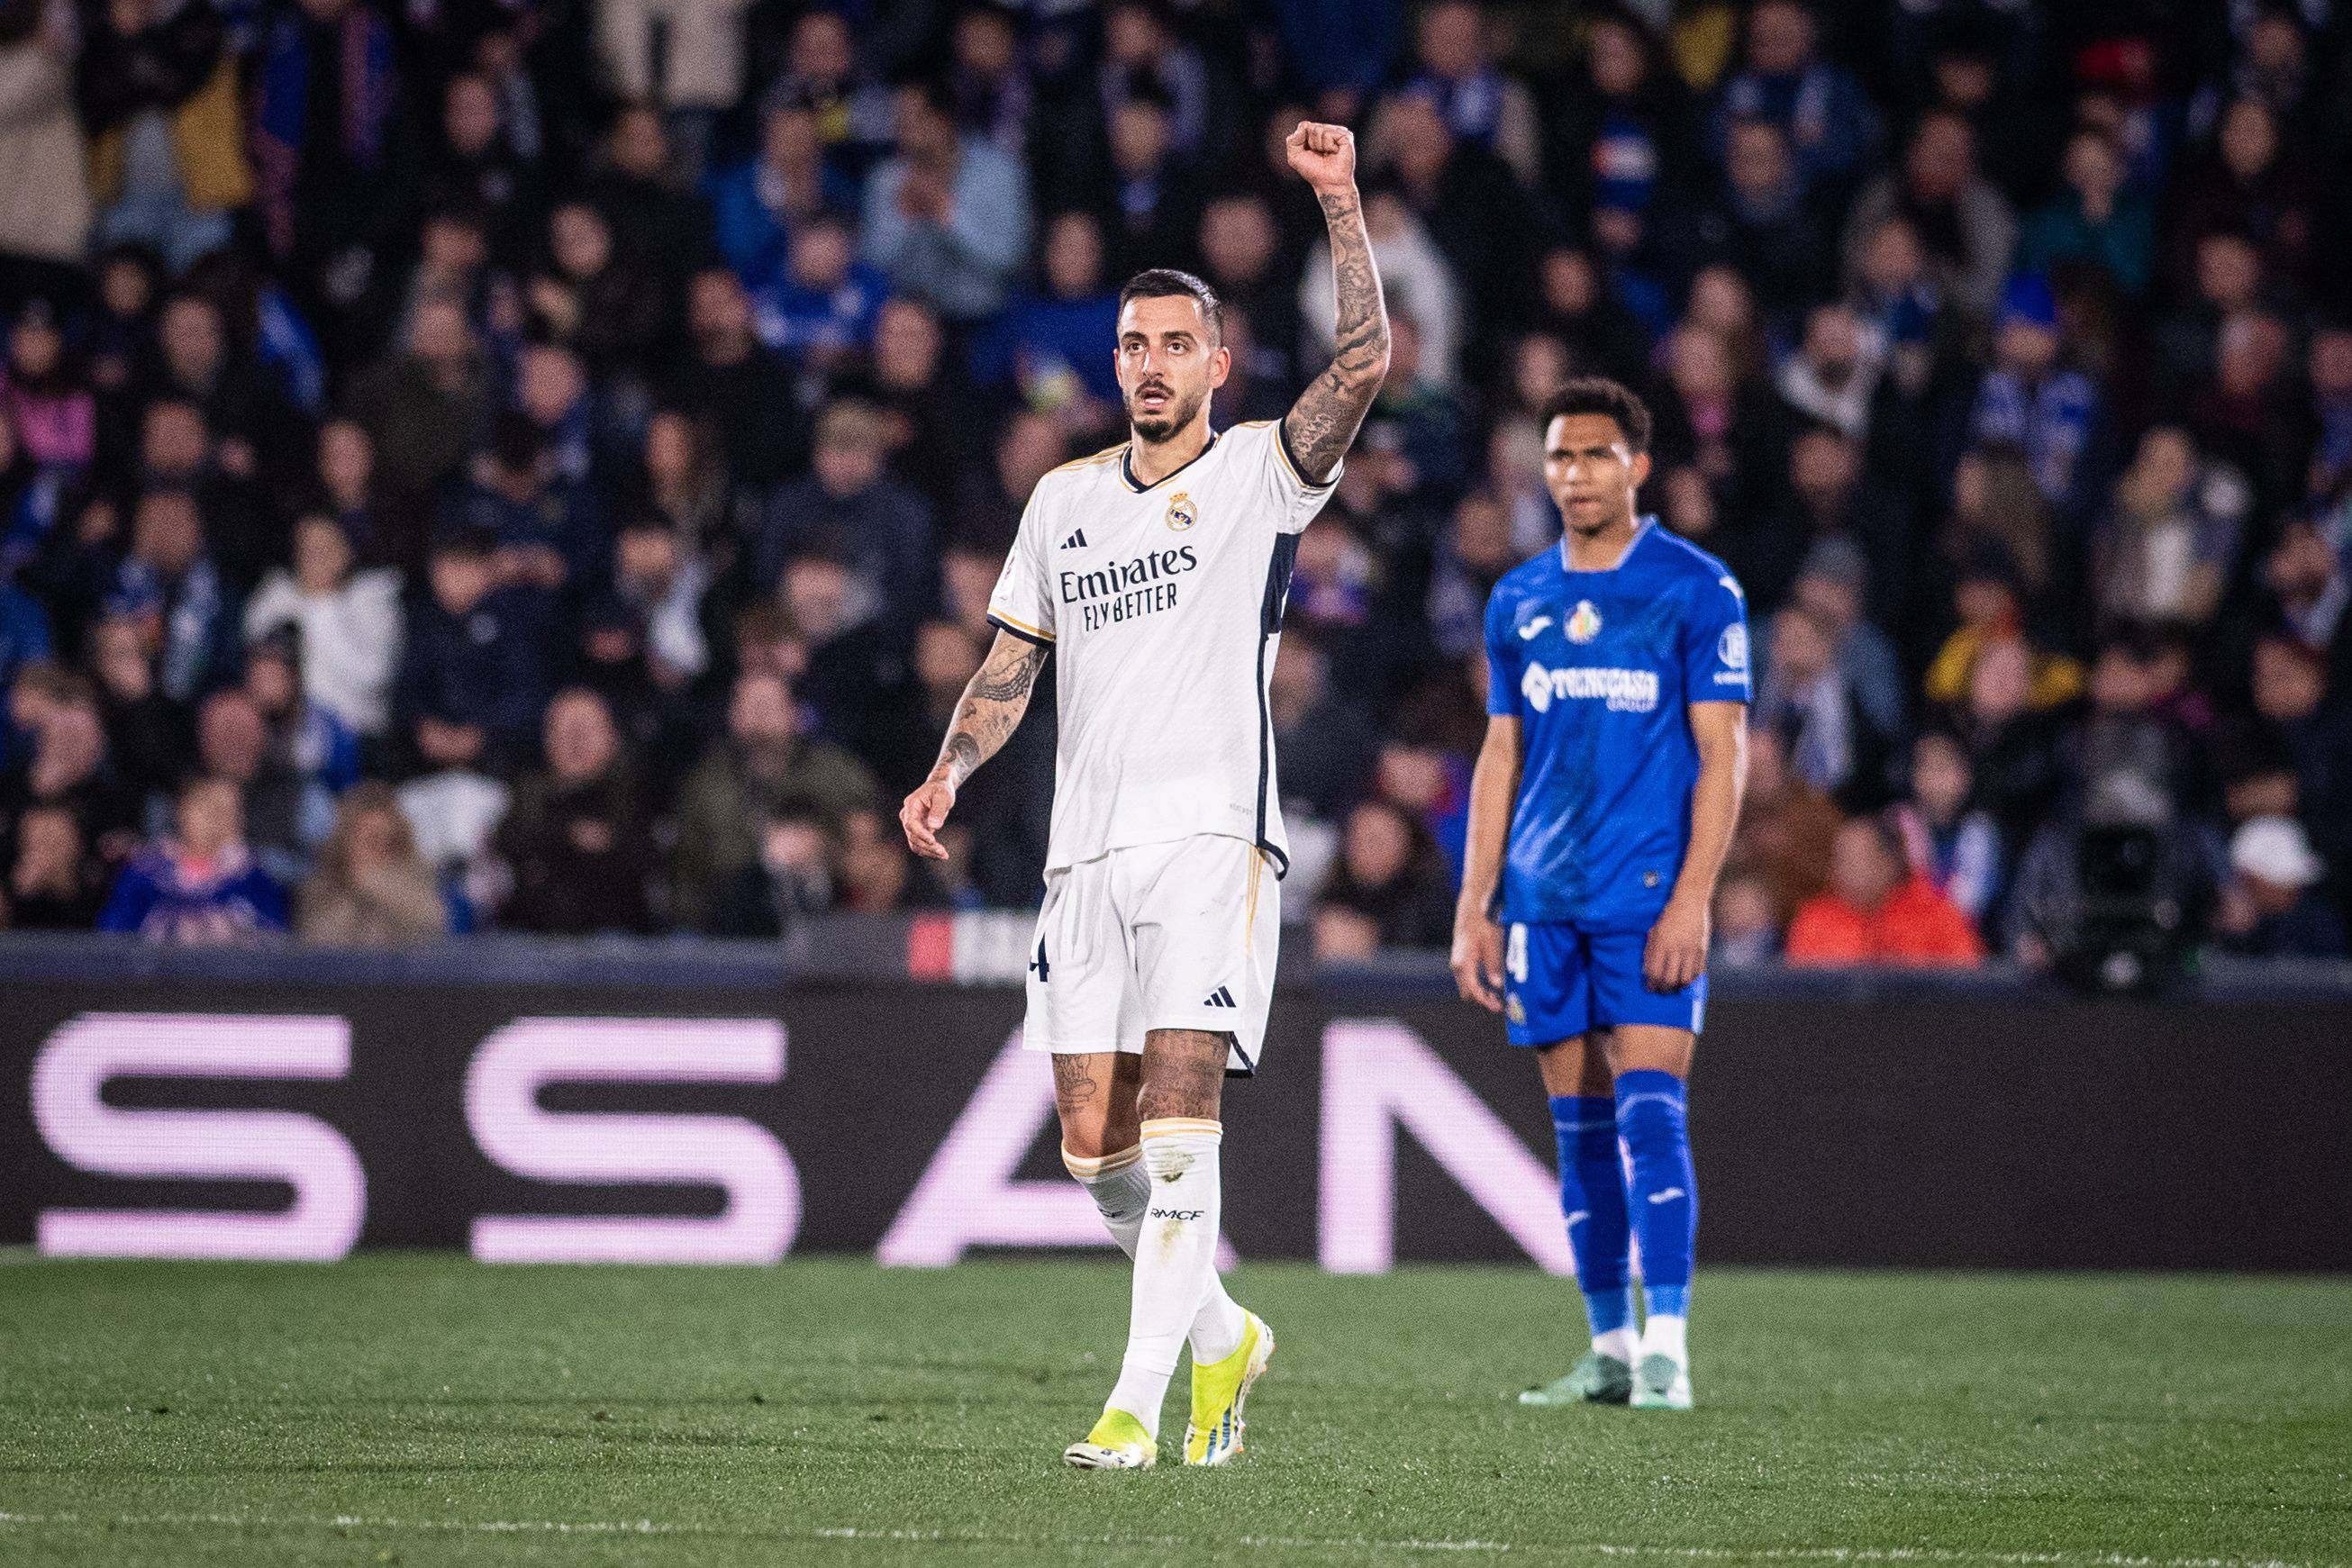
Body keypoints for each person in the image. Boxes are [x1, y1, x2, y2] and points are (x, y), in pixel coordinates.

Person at [897, 120, 1388, 1469]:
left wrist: (1337, 201)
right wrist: (948, 768)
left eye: (1177, 345)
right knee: (1090, 1148)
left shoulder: (1255, 479)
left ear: (1218, 366)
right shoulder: (1059, 502)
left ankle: (1135, 1402)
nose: (1151, 365)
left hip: (1209, 840)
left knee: (1178, 1140)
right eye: (1133, 345)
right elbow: (1011, 662)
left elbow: (1363, 361)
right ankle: (1223, 1331)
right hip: (1082, 855)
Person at [1450, 376, 1749, 1413]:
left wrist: (1694, 899)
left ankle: (1668, 1347)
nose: (1574, 474)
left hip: (1647, 896)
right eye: (1559, 457)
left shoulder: (1696, 587)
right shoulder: (1519, 597)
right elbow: (1499, 755)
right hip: (1542, 901)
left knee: (1651, 1113)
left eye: (1594, 455)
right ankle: (1610, 1348)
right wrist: (1473, 903)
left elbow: (1724, 755)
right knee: (1576, 1134)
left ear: (1638, 466)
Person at [1784, 815, 1985, 966]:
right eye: (1839, 859)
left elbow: (1967, 987)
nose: (1839, 870)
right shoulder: (1814, 920)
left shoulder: (1939, 917)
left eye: (1852, 860)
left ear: (1888, 863)